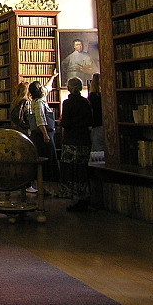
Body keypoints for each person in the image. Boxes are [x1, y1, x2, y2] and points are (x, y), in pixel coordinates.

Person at [58, 77, 93, 212]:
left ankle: (76, 198)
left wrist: (61, 122)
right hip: (84, 139)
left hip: (71, 140)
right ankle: (84, 197)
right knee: (81, 170)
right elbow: (91, 121)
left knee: (71, 170)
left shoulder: (68, 103)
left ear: (69, 88)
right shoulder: (86, 102)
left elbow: (65, 122)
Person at [27, 70, 59, 193]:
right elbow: (40, 120)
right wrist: (46, 135)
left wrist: (53, 76)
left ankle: (45, 187)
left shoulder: (39, 98)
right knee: (46, 159)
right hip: (42, 135)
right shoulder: (39, 103)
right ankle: (44, 187)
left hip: (44, 133)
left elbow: (48, 87)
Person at [88, 73, 104, 154]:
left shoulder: (92, 97)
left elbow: (90, 112)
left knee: (97, 150)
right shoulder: (105, 95)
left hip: (96, 124)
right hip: (107, 124)